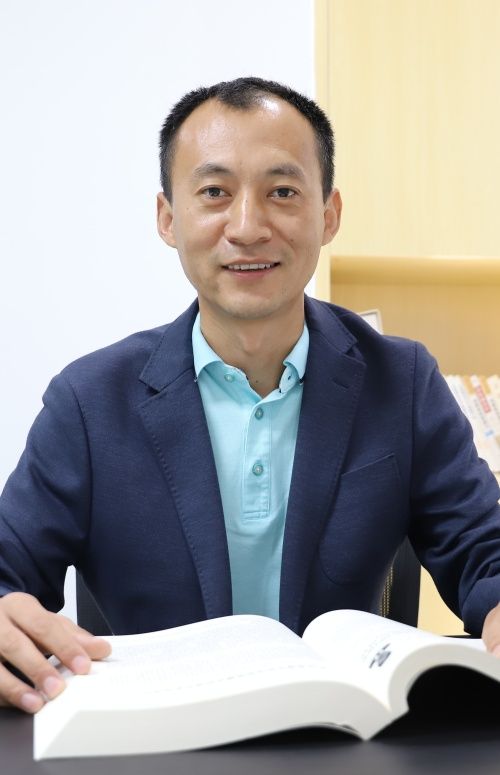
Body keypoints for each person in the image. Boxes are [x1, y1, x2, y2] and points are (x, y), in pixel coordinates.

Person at [1, 76, 500, 715]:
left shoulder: (401, 382)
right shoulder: (88, 401)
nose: (247, 227)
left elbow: (482, 549)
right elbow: (8, 571)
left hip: (343, 738)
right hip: (155, 737)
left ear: (329, 215)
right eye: (214, 192)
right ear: (168, 218)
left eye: (282, 192)